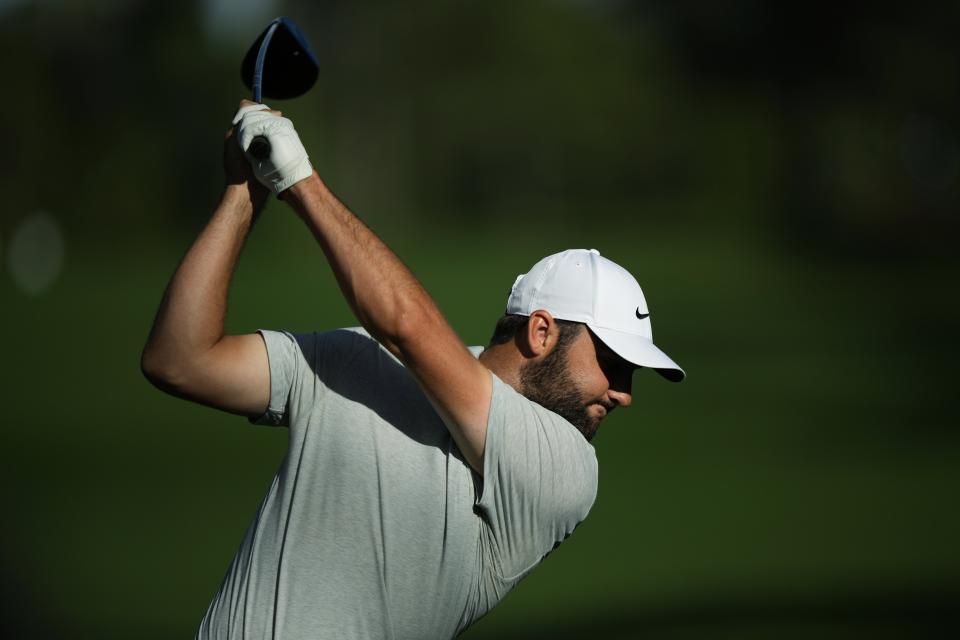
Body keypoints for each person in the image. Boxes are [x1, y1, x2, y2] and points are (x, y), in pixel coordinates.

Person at [141, 101, 685, 639]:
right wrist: (244, 192)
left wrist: (297, 181)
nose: (624, 394)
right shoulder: (358, 357)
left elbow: (405, 326)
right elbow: (180, 360)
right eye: (613, 364)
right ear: (541, 333)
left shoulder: (566, 473)